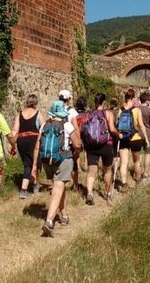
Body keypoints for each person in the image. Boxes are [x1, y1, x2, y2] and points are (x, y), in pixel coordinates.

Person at [33, 100, 81, 237]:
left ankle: (64, 215)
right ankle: (49, 222)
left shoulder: (44, 126)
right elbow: (77, 144)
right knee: (58, 188)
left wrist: (35, 166)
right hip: (63, 159)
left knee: (59, 187)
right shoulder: (66, 125)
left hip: (47, 161)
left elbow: (37, 146)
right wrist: (76, 151)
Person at [82, 93, 119, 204]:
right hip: (106, 144)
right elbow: (112, 129)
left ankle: (89, 193)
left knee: (91, 171)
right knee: (107, 170)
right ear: (104, 102)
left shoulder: (88, 114)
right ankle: (107, 193)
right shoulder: (108, 113)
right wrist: (118, 134)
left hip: (92, 145)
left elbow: (83, 130)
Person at [11, 94, 46, 198]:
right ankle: (23, 190)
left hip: (21, 140)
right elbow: (44, 128)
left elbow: (15, 130)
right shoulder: (38, 114)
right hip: (33, 140)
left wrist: (12, 143)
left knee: (29, 162)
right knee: (30, 164)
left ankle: (35, 184)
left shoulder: (20, 114)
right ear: (35, 103)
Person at [117, 89, 149, 192]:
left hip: (124, 138)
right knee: (137, 161)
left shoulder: (120, 110)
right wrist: (146, 139)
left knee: (124, 163)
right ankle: (138, 180)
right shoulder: (137, 110)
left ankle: (124, 184)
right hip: (135, 138)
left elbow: (118, 124)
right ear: (133, 98)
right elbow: (141, 125)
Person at [138, 91, 150, 182]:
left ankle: (137, 172)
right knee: (147, 154)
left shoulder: (135, 109)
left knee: (139, 155)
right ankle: (145, 174)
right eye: (149, 100)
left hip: (137, 134)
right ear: (146, 101)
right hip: (148, 134)